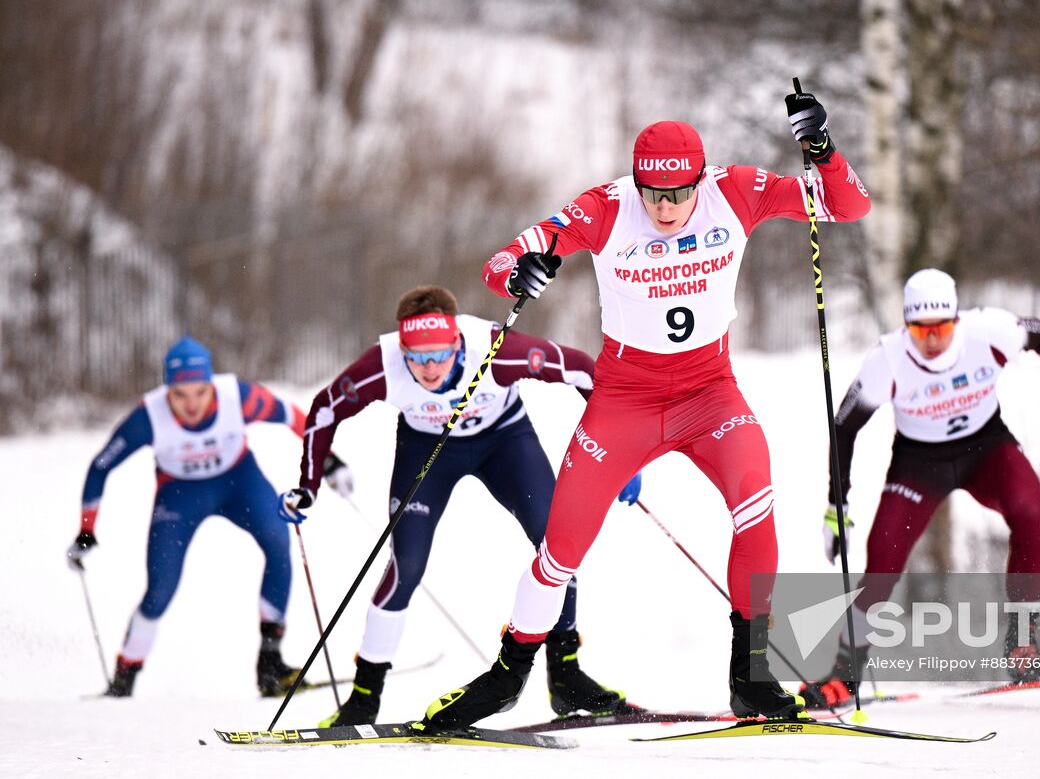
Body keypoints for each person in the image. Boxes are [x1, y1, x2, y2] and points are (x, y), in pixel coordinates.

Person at [414, 87, 871, 734]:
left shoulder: (736, 190)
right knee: (561, 547)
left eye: (678, 193)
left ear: (699, 178)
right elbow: (500, 265)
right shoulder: (607, 207)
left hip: (710, 392)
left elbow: (850, 205)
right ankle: (508, 674)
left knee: (755, 498)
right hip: (626, 398)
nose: (664, 207)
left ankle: (753, 675)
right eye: (653, 193)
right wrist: (523, 271)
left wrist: (819, 149)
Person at [284, 284, 640, 727]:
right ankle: (364, 697)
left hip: (504, 441)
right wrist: (308, 485)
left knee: (557, 543)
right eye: (417, 358)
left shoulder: (497, 349)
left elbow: (585, 371)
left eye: (440, 355)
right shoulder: (381, 366)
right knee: (405, 565)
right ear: (402, 352)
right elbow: (323, 411)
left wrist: (618, 454)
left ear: (458, 342)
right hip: (427, 449)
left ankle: (564, 675)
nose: (429, 368)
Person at [798, 268, 1040, 707]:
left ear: (956, 320)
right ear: (907, 324)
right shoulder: (887, 359)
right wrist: (838, 505)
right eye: (920, 330)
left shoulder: (987, 332)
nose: (932, 340)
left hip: (986, 448)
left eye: (942, 328)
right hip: (919, 462)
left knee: (1028, 507)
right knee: (884, 552)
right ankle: (846, 670)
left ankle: (1023, 644)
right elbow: (844, 427)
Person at [66, 335, 320, 698]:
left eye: (199, 392)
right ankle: (124, 678)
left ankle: (270, 664)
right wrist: (86, 530)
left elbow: (295, 416)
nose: (191, 404)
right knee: (160, 589)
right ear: (167, 390)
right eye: (180, 395)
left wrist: (325, 459)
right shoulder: (148, 416)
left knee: (278, 539)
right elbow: (100, 466)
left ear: (210, 384)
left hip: (238, 481)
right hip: (181, 495)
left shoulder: (238, 397)